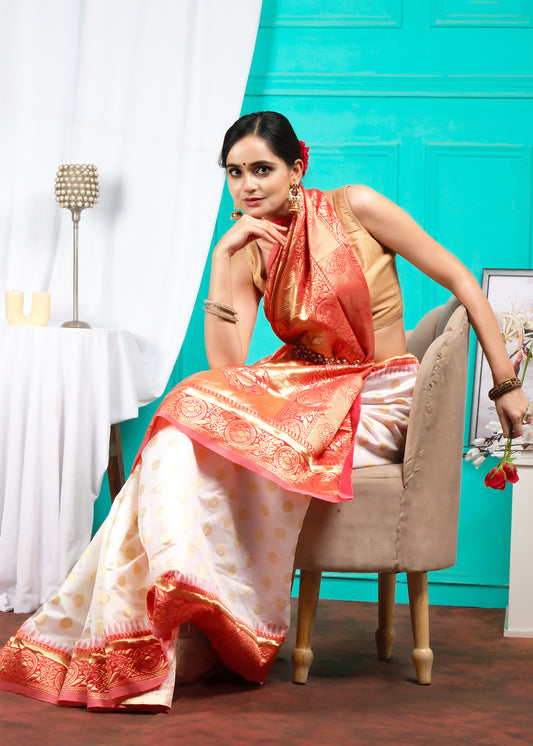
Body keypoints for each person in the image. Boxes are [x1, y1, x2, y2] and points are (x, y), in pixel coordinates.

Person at [0, 111, 530, 712]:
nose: (248, 185)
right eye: (234, 173)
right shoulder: (249, 246)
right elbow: (225, 368)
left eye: (262, 169)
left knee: (200, 414)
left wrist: (505, 383)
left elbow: (461, 278)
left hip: (376, 394)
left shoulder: (355, 207)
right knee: (184, 422)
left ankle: (210, 621)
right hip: (303, 387)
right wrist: (226, 258)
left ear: (296, 168)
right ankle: (184, 608)